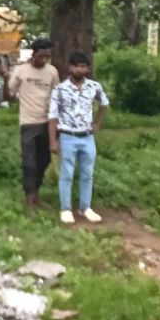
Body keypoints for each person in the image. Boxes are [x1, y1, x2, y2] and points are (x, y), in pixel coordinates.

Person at [47, 52, 109, 225]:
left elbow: (104, 104)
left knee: (87, 174)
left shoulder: (94, 87)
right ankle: (65, 209)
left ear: (87, 68)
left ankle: (85, 207)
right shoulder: (60, 90)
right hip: (67, 136)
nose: (79, 70)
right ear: (70, 67)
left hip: (87, 137)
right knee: (66, 174)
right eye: (76, 66)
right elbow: (52, 116)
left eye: (83, 66)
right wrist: (53, 141)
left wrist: (98, 123)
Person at [0, 37, 61, 211]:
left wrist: (57, 123)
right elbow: (8, 97)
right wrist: (5, 79)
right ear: (33, 54)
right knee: (29, 163)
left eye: (47, 57)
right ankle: (29, 200)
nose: (44, 60)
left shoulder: (52, 72)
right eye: (41, 56)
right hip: (28, 123)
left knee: (44, 161)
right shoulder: (21, 71)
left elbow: (57, 97)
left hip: (47, 123)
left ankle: (36, 195)